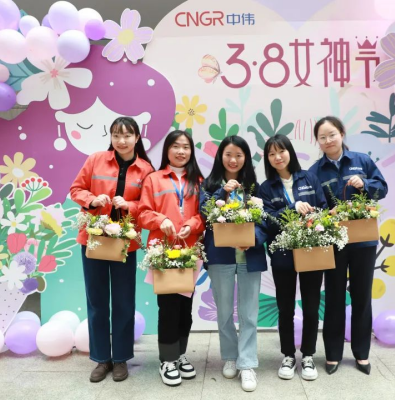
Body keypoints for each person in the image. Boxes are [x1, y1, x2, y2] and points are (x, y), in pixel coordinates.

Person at [69, 116, 154, 383]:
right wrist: (93, 199)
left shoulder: (146, 169)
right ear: (111, 137)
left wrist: (129, 205)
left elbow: (148, 206)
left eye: (127, 135)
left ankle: (120, 359)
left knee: (123, 301)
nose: (122, 140)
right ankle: (101, 359)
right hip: (93, 239)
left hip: (125, 243)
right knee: (96, 301)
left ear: (137, 138)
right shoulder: (96, 160)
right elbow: (76, 189)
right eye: (116, 135)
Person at [309, 116, 388, 375]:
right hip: (333, 241)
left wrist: (365, 184)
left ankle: (362, 353)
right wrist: (326, 213)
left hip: (363, 240)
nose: (328, 140)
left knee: (362, 295)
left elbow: (383, 188)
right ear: (317, 142)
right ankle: (333, 354)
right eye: (322, 137)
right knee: (333, 296)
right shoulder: (314, 171)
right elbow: (314, 207)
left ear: (342, 133)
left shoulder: (361, 161)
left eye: (332, 134)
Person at [199, 136, 267, 392]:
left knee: (249, 313)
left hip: (250, 256)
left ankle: (247, 363)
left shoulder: (255, 187)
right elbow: (205, 213)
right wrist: (223, 192)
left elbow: (265, 221)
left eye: (239, 155)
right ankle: (230, 356)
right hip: (220, 256)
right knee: (224, 311)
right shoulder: (209, 184)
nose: (233, 159)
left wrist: (254, 239)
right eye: (228, 154)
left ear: (246, 158)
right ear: (220, 156)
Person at [138, 130, 205, 387]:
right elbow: (143, 213)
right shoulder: (153, 179)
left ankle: (179, 354)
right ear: (167, 150)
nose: (181, 151)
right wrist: (161, 219)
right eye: (176, 146)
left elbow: (204, 215)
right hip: (163, 252)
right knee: (167, 309)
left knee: (185, 310)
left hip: (190, 252)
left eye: (186, 147)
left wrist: (192, 224)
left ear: (191, 151)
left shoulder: (198, 180)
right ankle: (167, 360)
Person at [258, 134, 327, 381]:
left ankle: (308, 355)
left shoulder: (309, 178)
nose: (277, 157)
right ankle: (288, 355)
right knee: (285, 307)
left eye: (282, 151)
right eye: (272, 154)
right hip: (282, 253)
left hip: (311, 249)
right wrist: (291, 207)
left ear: (290, 152)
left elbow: (323, 208)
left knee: (311, 306)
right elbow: (267, 220)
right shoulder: (266, 187)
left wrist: (312, 215)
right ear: (267, 159)